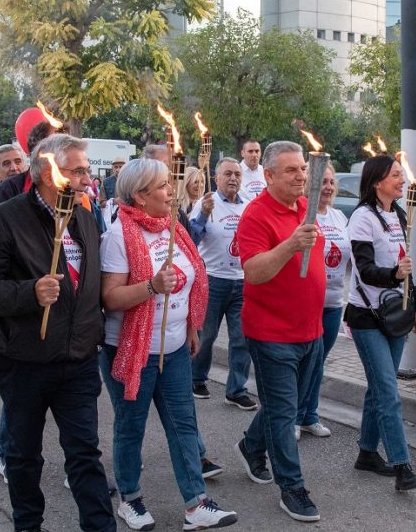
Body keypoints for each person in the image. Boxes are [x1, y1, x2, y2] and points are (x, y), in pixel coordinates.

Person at [0, 134, 116, 532]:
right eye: (79, 170)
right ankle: (28, 525)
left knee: (85, 454)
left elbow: (89, 288)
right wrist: (29, 291)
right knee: (23, 456)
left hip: (79, 360)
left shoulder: (85, 216)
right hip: (24, 361)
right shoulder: (2, 221)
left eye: (87, 169)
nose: (88, 177)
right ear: (49, 174)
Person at [100, 157, 237, 531]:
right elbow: (110, 298)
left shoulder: (172, 226)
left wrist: (192, 328)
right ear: (141, 195)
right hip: (132, 350)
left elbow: (191, 278)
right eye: (163, 186)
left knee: (184, 425)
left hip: (175, 347)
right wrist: (150, 288)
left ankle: (196, 504)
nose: (171, 192)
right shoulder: (117, 235)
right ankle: (130, 500)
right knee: (131, 427)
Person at [233, 141, 327, 522]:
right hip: (271, 334)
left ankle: (251, 446)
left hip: (311, 330)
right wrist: (290, 245)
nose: (301, 176)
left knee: (282, 406)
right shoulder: (255, 216)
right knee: (285, 413)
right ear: (268, 175)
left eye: (302, 168)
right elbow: (253, 271)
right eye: (291, 170)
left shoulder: (307, 207)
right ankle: (292, 487)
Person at [342, 153, 416, 492]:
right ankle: (402, 465)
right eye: (395, 175)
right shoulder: (362, 218)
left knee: (381, 387)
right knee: (389, 392)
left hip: (395, 314)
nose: (401, 180)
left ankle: (366, 453)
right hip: (366, 316)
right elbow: (365, 270)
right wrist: (394, 274)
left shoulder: (399, 214)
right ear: (378, 182)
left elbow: (406, 266)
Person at [189, 157, 255, 409]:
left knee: (242, 338)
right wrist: (204, 215)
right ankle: (196, 378)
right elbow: (191, 240)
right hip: (213, 279)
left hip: (242, 280)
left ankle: (236, 389)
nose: (233, 179)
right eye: (227, 174)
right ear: (216, 178)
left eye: (237, 174)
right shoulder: (205, 204)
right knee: (207, 335)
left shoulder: (248, 206)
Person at [296, 165, 350, 440]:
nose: (328, 187)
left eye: (332, 182)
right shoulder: (304, 214)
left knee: (319, 361)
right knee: (305, 361)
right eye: (323, 181)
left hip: (333, 302)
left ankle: (310, 416)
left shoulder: (339, 216)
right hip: (308, 302)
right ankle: (293, 417)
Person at [0, 125, 55, 206]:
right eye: (6, 164)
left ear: (25, 165)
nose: (14, 168)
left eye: (18, 162)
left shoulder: (40, 185)